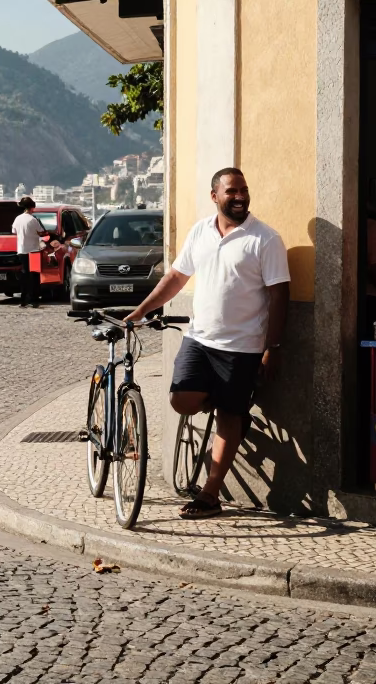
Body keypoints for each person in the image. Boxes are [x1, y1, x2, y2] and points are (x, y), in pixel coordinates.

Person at [124, 168, 290, 518]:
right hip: (199, 341)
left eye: (244, 189)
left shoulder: (265, 239)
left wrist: (272, 349)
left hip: (242, 347)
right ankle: (231, 407)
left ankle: (210, 493)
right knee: (180, 399)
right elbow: (175, 277)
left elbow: (280, 295)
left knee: (229, 416)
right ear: (215, 196)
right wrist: (139, 312)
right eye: (232, 191)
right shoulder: (200, 231)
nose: (240, 196)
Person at [12, 197, 49, 309]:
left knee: (24, 276)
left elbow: (14, 231)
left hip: (21, 251)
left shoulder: (17, 219)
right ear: (32, 207)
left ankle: (23, 300)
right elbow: (42, 232)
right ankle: (34, 300)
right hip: (33, 251)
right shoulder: (33, 220)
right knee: (34, 276)